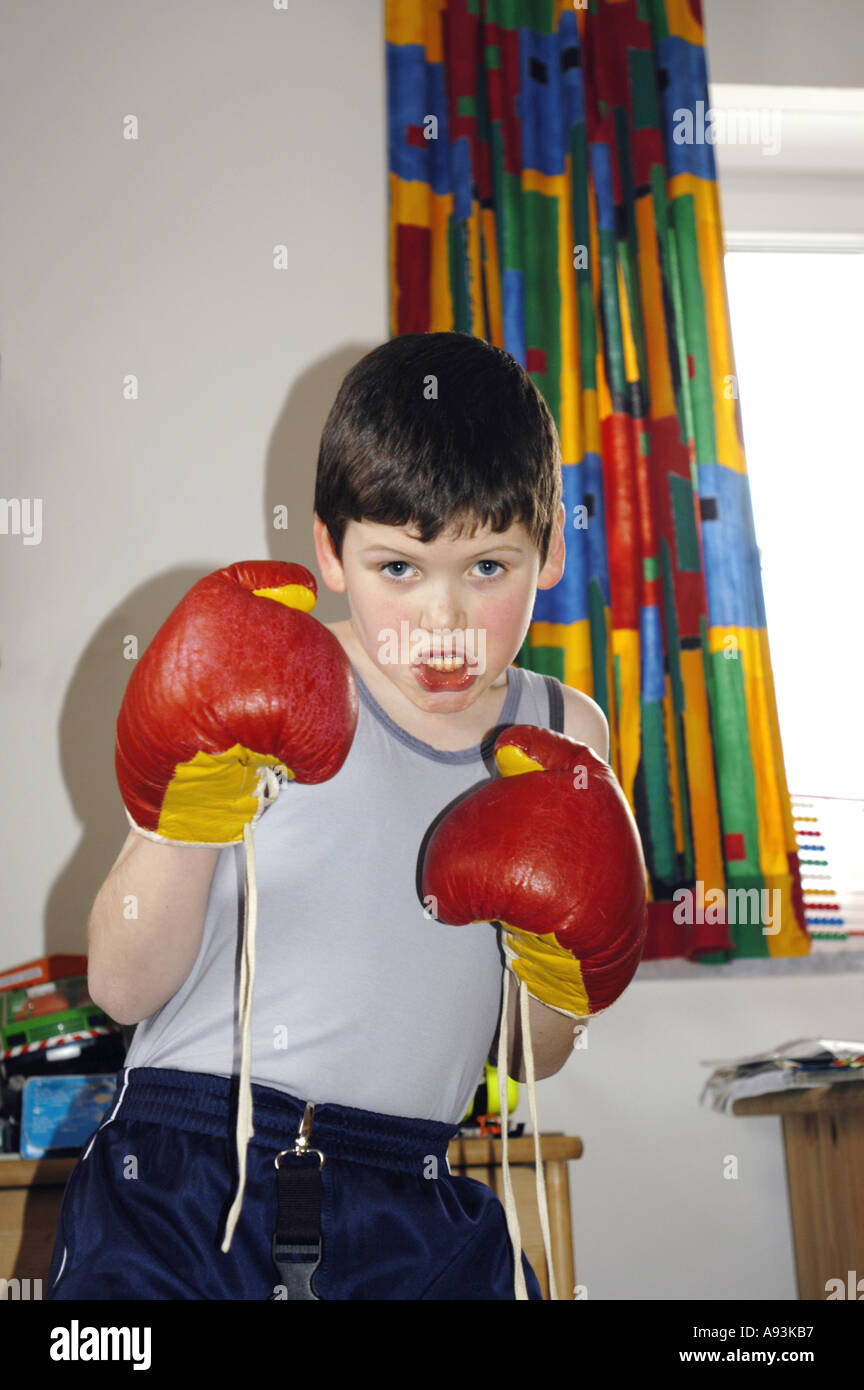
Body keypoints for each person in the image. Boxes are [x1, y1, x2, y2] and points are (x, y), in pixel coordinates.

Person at [46, 331, 637, 1301]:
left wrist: (560, 972)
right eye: (399, 567)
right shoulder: (264, 676)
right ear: (328, 549)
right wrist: (176, 820)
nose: (442, 620)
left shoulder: (561, 732)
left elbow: (534, 1055)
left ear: (553, 547)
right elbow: (120, 987)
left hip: (414, 1191)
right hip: (191, 1162)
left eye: (489, 567)